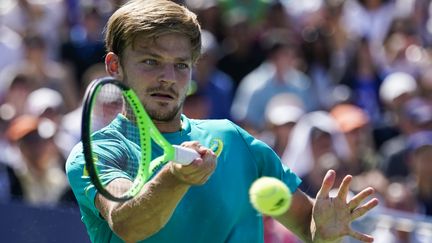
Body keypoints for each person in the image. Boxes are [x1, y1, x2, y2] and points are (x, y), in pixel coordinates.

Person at [65, 1, 378, 243]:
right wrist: (174, 178)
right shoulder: (98, 153)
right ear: (114, 65)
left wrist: (323, 232)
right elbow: (127, 223)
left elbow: (308, 224)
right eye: (151, 62)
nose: (168, 78)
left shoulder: (234, 140)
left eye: (181, 65)